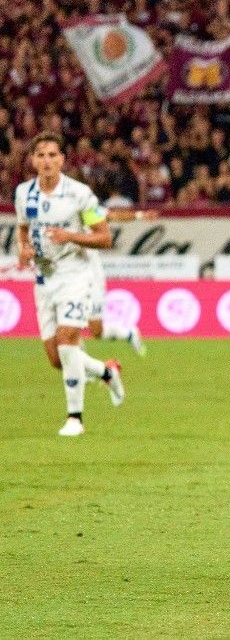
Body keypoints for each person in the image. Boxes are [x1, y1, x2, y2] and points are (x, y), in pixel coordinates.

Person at [14, 132, 125, 437]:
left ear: (62, 159)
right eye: (41, 155)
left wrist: (70, 236)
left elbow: (104, 237)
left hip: (75, 275)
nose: (47, 161)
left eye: (53, 155)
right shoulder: (23, 193)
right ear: (33, 160)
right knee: (56, 358)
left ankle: (75, 418)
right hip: (44, 279)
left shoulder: (79, 194)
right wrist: (24, 250)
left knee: (67, 342)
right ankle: (106, 372)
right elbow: (23, 231)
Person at [83, 207, 156, 356]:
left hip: (91, 278)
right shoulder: (55, 214)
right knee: (68, 328)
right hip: (68, 279)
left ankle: (128, 333)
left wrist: (139, 215)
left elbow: (113, 215)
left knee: (96, 332)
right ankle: (79, 367)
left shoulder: (85, 207)